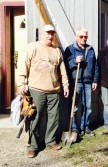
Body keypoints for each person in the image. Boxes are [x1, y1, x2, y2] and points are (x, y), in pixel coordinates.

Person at [17, 24, 69, 158]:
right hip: (36, 90)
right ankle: (33, 146)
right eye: (47, 33)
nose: (50, 36)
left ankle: (50, 141)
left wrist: (66, 85)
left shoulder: (57, 50)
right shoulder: (32, 47)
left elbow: (62, 70)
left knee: (54, 118)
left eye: (52, 33)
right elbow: (24, 66)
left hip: (54, 90)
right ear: (42, 33)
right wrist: (21, 84)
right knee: (35, 118)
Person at [64, 28, 99, 137]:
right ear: (77, 37)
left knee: (87, 107)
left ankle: (85, 127)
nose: (84, 38)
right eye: (81, 36)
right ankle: (74, 128)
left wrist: (95, 80)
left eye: (85, 37)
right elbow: (65, 64)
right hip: (75, 82)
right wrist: (74, 61)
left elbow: (95, 66)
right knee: (74, 107)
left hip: (88, 82)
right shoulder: (70, 49)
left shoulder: (90, 49)